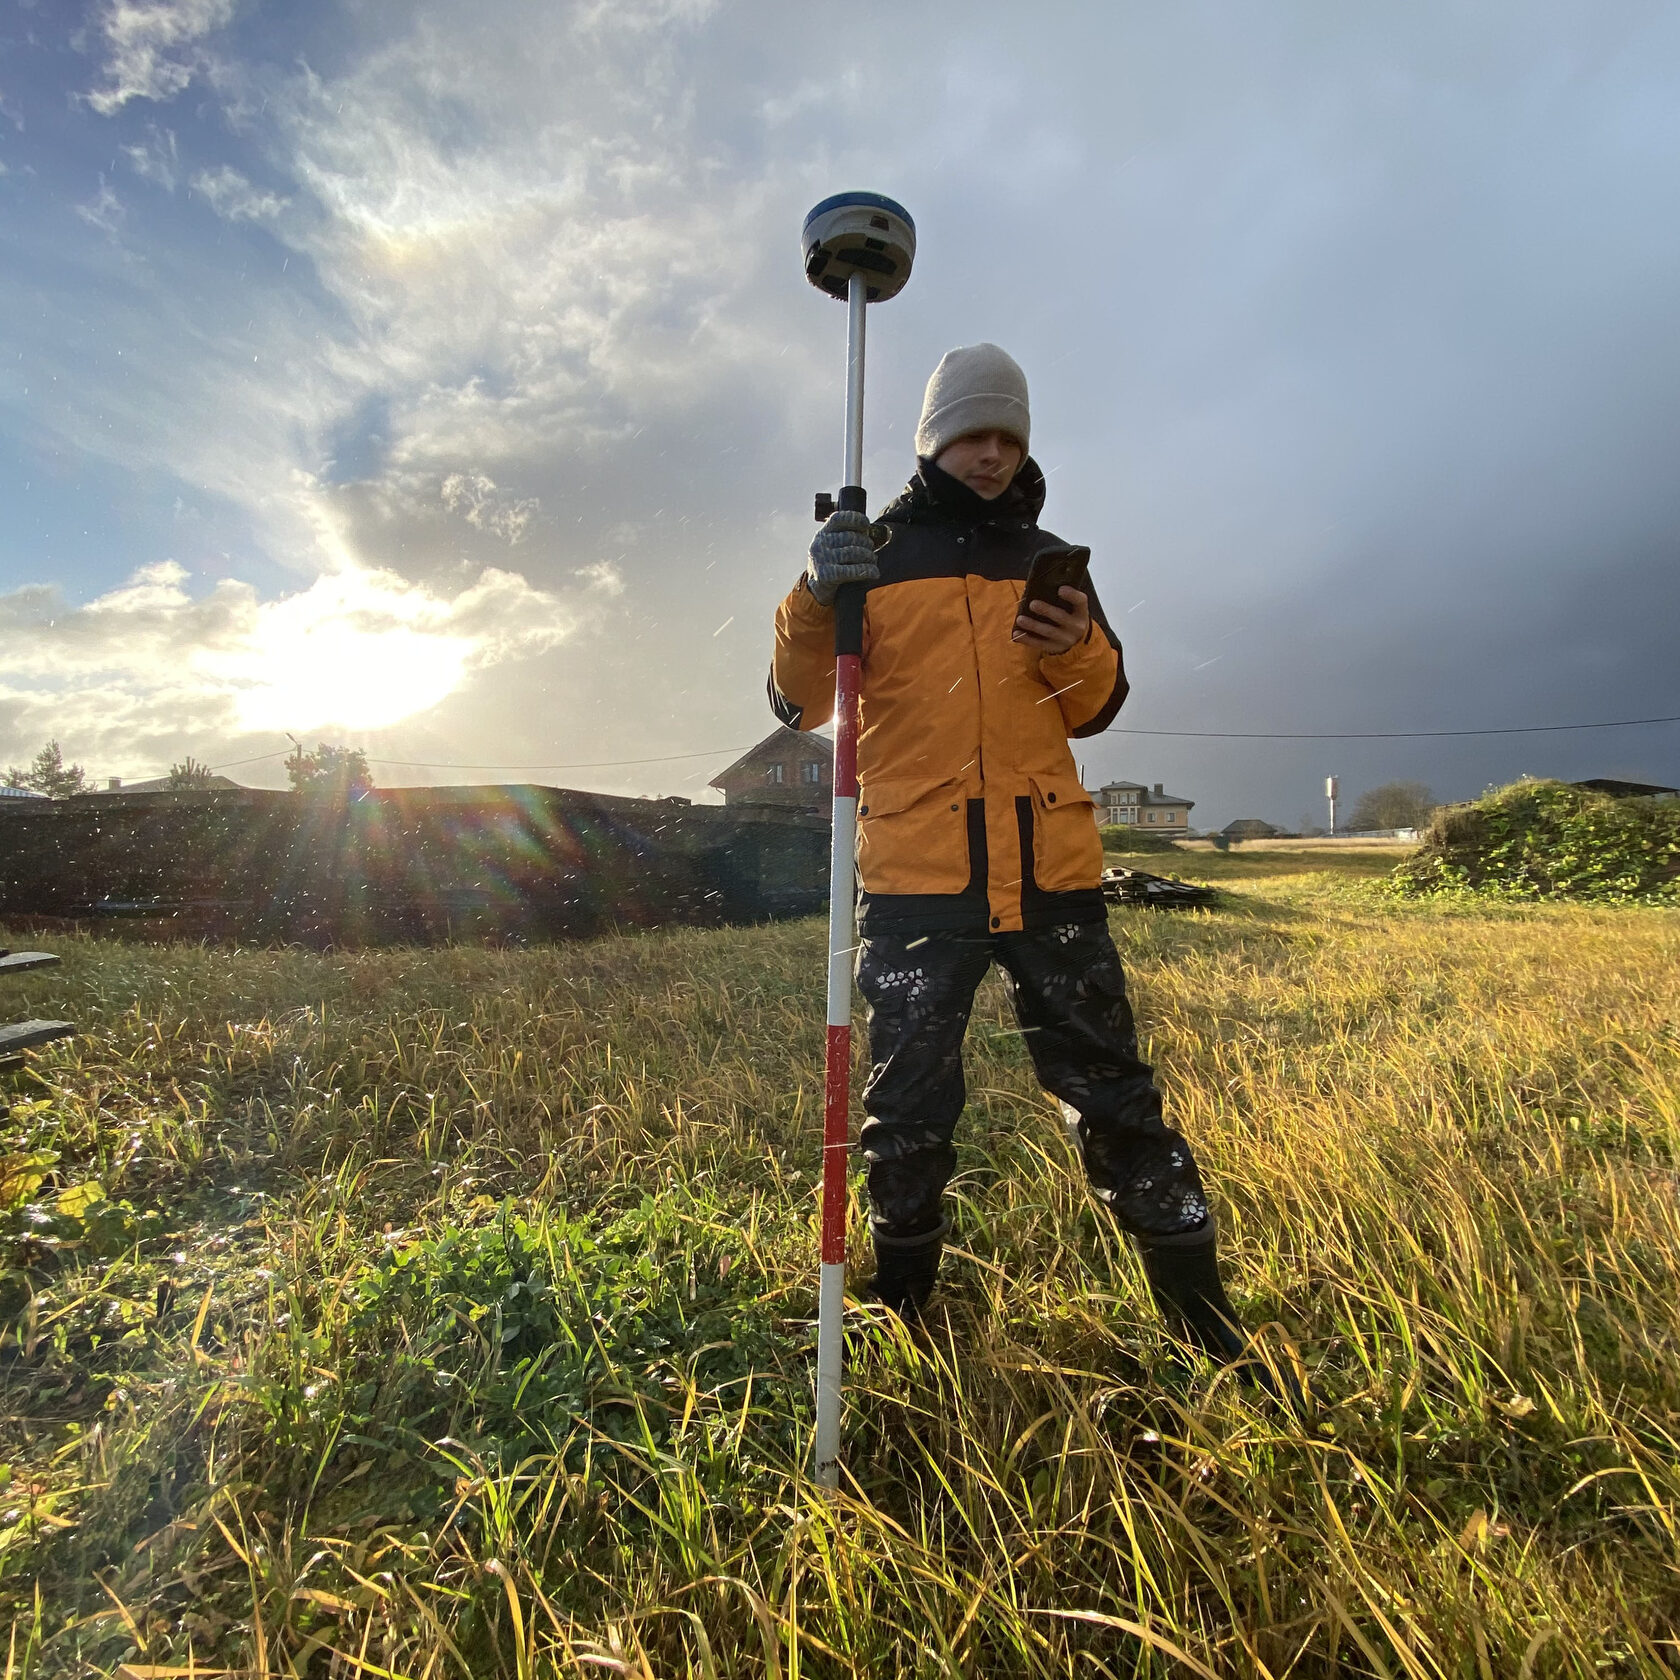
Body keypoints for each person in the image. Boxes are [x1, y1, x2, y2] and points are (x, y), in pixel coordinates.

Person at [769, 342, 1269, 1380]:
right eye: (972, 433)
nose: (992, 453)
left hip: (1054, 877)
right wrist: (817, 594)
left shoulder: (1052, 560)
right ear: (934, 439)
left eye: (1009, 435)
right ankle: (904, 1312)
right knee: (907, 1114)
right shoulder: (874, 555)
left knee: (1119, 1098)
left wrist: (1074, 639)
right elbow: (797, 702)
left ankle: (1206, 1326)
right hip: (917, 876)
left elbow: (1096, 705)